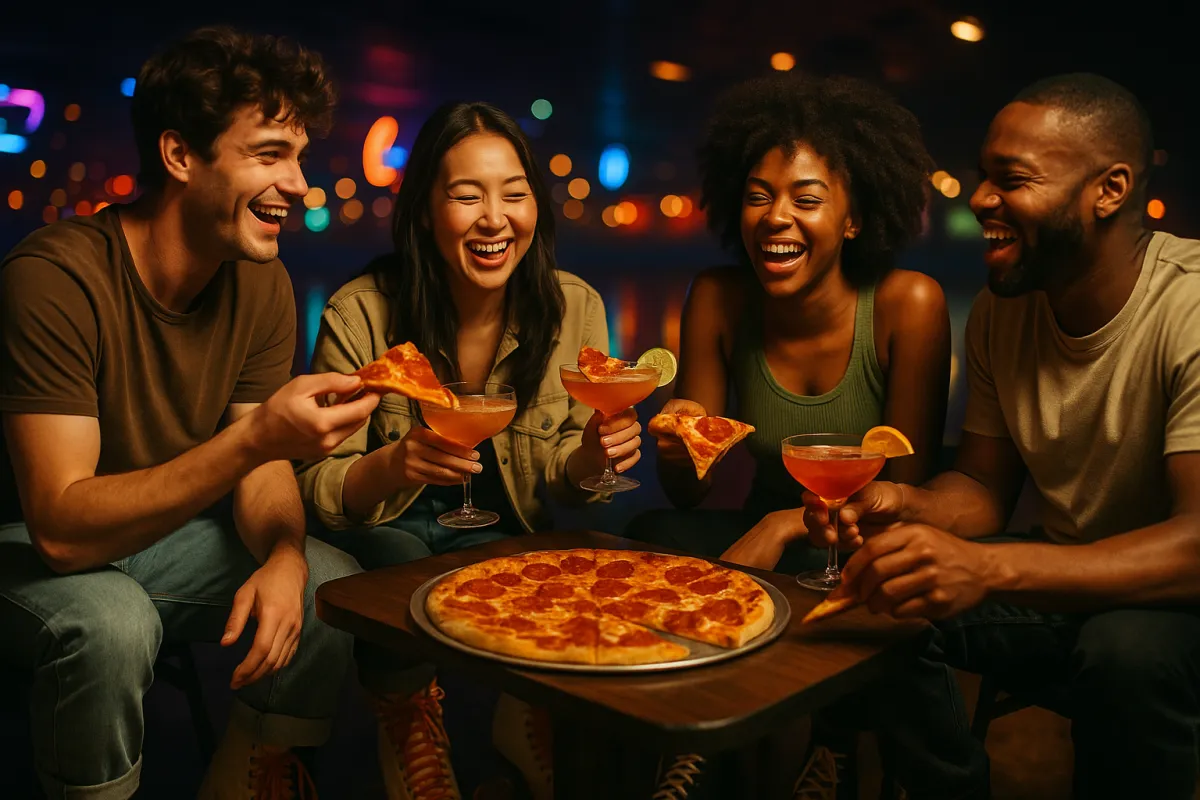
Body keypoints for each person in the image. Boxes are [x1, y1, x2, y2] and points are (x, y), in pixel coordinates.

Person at [0, 27, 384, 800]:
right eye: (270, 154)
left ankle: (250, 777)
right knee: (111, 623)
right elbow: (61, 529)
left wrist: (282, 554)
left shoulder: (260, 279)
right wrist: (256, 438)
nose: (301, 183)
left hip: (160, 543)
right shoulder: (53, 277)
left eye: (300, 157)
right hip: (27, 550)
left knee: (327, 585)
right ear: (180, 156)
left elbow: (263, 468)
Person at [804, 73, 1200, 799]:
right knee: (884, 600)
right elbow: (983, 489)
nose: (979, 198)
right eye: (984, 177)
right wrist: (900, 505)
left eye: (1010, 180)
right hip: (1067, 581)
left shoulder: (1190, 308)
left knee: (1124, 653)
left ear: (1108, 190)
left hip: (1176, 604)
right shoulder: (1002, 308)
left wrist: (987, 570)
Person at [297, 101, 642, 800]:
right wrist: (395, 465)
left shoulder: (575, 307)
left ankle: (529, 711)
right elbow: (314, 487)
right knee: (399, 555)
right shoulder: (359, 312)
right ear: (425, 210)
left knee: (593, 553)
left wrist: (595, 456)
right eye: (467, 195)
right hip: (388, 530)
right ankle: (409, 725)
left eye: (514, 194)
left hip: (508, 527)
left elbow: (566, 485)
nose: (495, 218)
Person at [624, 72, 951, 797]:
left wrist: (780, 525)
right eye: (758, 195)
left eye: (806, 199)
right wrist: (676, 445)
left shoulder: (910, 304)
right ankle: (694, 742)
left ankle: (832, 751)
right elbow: (689, 485)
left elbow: (906, 491)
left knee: (885, 606)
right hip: (757, 532)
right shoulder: (716, 296)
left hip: (867, 538)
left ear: (854, 218)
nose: (776, 218)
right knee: (649, 529)